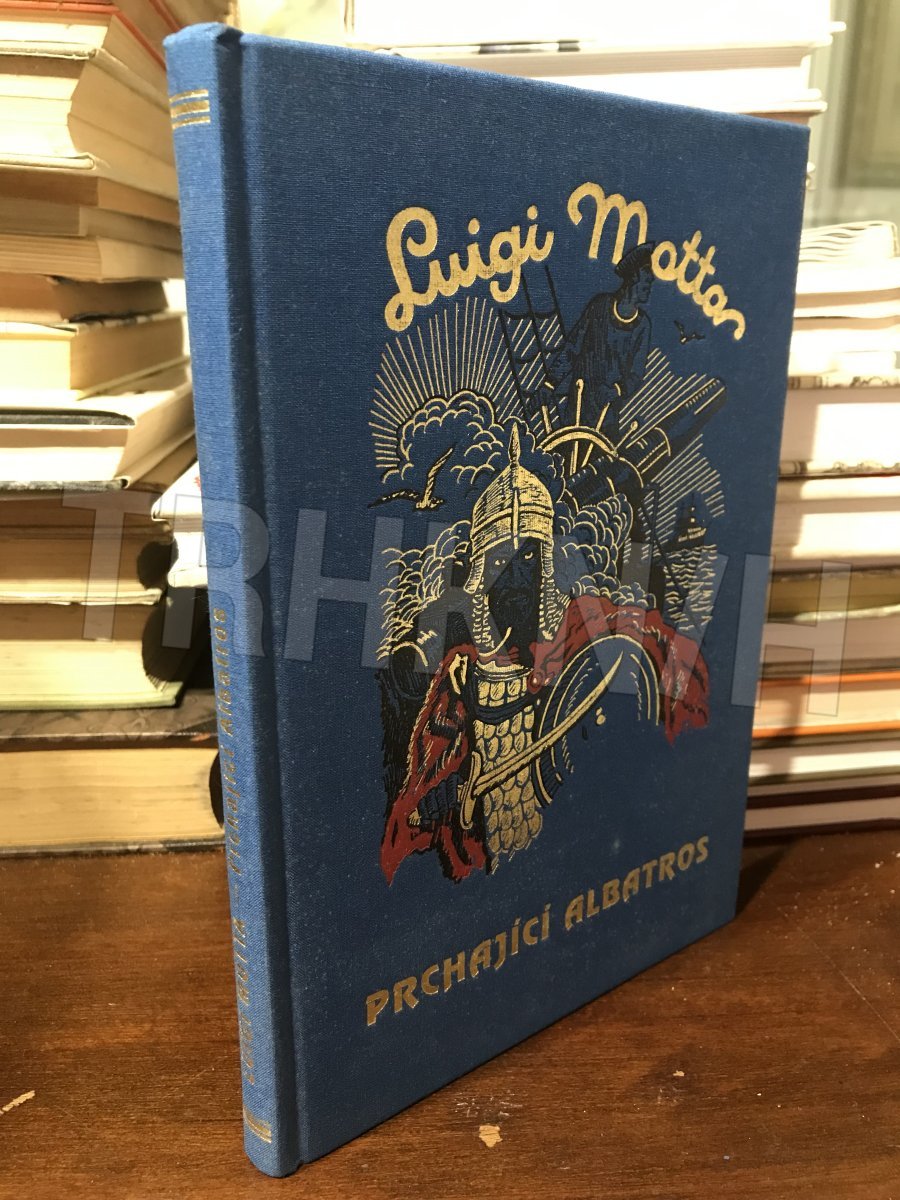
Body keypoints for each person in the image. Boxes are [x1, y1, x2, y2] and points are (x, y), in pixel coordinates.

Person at [380, 424, 709, 885]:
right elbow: (408, 823)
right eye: (501, 560)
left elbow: (673, 667)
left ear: (548, 563)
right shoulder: (456, 680)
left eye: (530, 557)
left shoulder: (587, 632)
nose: (517, 575)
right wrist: (444, 809)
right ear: (480, 571)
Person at [552, 242, 656, 445]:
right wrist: (550, 383)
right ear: (633, 278)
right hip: (576, 412)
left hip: (607, 418)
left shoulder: (643, 325)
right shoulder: (599, 307)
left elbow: (635, 374)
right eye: (646, 275)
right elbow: (572, 348)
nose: (651, 279)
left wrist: (616, 390)